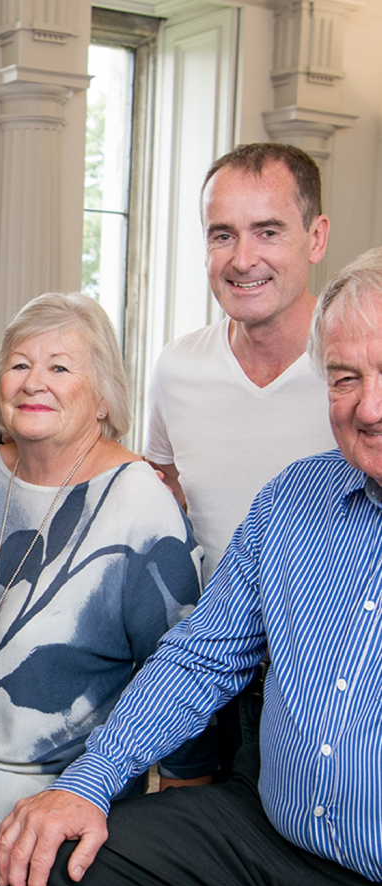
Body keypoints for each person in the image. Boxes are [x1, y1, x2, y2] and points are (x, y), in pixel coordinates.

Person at [0, 247, 382, 886]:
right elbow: (201, 659)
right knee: (50, 866)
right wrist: (86, 787)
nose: (368, 406)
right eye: (346, 378)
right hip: (270, 830)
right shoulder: (294, 503)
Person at [0, 292, 212, 860]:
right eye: (19, 364)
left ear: (101, 399)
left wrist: (186, 805)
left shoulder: (140, 506)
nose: (33, 381)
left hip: (47, 781)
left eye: (60, 367)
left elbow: (182, 671)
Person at [146, 142, 333, 580]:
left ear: (316, 238)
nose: (243, 260)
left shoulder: (362, 375)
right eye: (223, 235)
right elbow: (161, 498)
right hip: (207, 637)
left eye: (268, 232)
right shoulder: (177, 368)